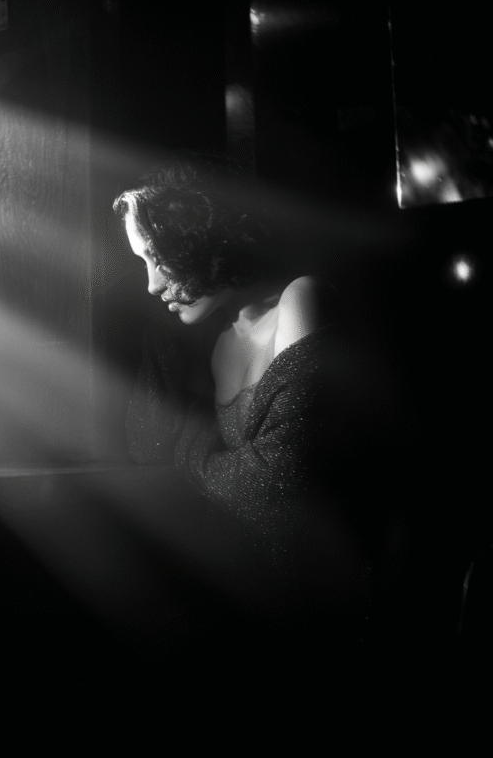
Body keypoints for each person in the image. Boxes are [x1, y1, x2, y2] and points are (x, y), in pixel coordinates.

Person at [113, 154, 396, 638]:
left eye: (159, 258)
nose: (152, 284)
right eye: (143, 263)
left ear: (202, 238)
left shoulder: (302, 300)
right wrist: (160, 336)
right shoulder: (217, 345)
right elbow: (145, 443)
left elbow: (276, 482)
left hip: (328, 606)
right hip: (246, 599)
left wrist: (193, 450)